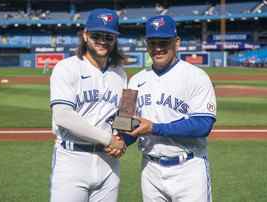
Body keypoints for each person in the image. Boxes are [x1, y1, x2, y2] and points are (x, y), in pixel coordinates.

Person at [128, 15, 217, 202]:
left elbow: (203, 124)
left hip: (189, 170)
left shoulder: (197, 76)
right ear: (146, 45)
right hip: (150, 169)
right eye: (153, 42)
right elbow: (125, 123)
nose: (158, 48)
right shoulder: (134, 80)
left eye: (164, 42)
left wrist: (154, 128)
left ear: (177, 43)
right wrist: (115, 140)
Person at [49, 9, 127, 202]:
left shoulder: (120, 74)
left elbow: (123, 118)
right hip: (72, 160)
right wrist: (108, 139)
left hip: (109, 164)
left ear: (115, 39)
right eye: (96, 35)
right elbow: (63, 116)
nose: (102, 40)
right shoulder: (67, 67)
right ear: (85, 35)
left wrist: (122, 140)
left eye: (108, 36)